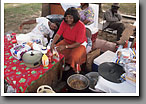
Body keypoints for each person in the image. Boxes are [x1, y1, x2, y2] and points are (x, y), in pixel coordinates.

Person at [50, 7, 87, 73]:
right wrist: (52, 43)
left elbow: (78, 43)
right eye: (66, 17)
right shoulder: (64, 23)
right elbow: (58, 34)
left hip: (79, 45)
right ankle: (62, 64)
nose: (68, 19)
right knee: (55, 50)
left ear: (75, 17)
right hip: (67, 41)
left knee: (74, 57)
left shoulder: (81, 26)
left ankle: (72, 68)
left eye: (70, 17)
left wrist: (65, 47)